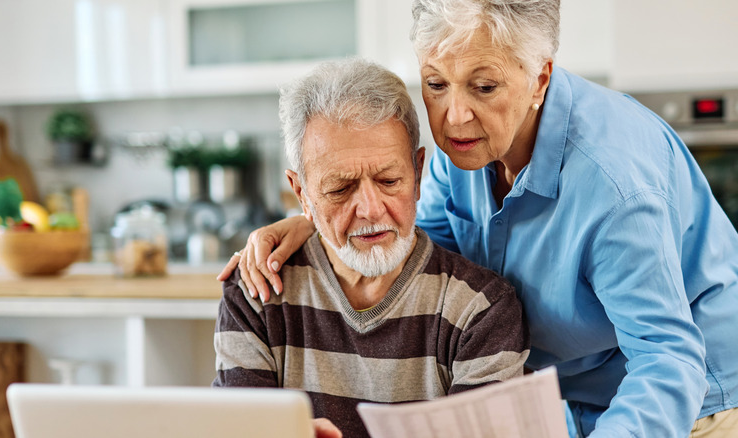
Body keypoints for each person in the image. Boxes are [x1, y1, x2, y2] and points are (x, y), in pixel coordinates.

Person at [218, 1, 738, 437]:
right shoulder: (465, 150)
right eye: (435, 84)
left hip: (698, 401)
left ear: (540, 79)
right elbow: (411, 245)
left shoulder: (613, 184)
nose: (454, 115)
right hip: (576, 395)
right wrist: (317, 222)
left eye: (484, 87)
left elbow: (669, 358)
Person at [213, 58, 529, 438]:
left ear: (417, 174)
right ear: (302, 193)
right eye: (340, 189)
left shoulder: (481, 310)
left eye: (389, 180)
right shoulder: (255, 294)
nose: (370, 209)